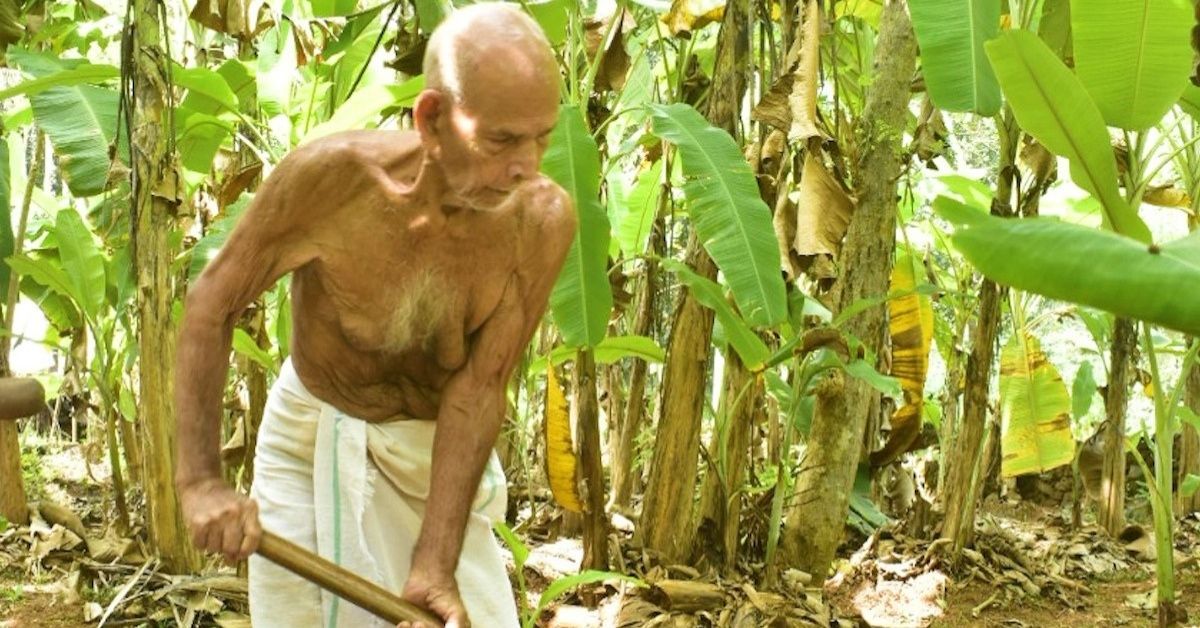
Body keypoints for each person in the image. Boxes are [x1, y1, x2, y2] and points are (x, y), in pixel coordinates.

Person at [172, 4, 574, 627]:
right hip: (312, 436)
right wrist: (200, 481)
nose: (527, 165)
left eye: (541, 138)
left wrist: (435, 563)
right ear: (432, 120)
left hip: (431, 458)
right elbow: (213, 300)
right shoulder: (331, 181)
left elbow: (478, 389)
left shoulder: (541, 222)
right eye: (501, 140)